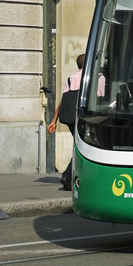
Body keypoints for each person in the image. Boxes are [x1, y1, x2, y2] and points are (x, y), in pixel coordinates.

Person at [47, 54, 84, 190]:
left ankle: (71, 176)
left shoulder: (71, 78)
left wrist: (53, 120)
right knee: (82, 147)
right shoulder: (95, 78)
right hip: (84, 118)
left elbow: (63, 101)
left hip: (69, 118)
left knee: (79, 145)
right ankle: (68, 176)